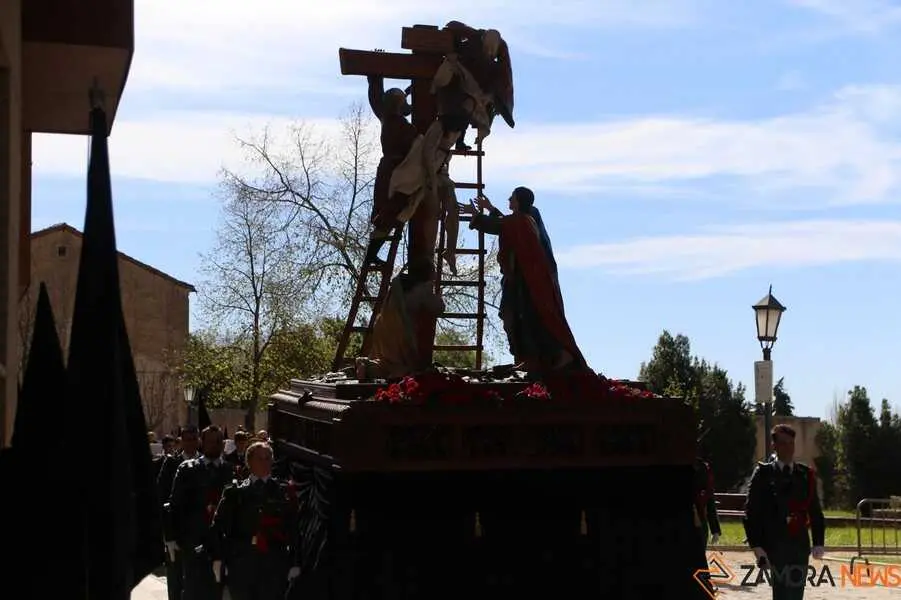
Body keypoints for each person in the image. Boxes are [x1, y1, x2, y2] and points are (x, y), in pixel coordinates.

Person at [461, 187, 584, 372]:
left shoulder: (522, 221)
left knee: (527, 317)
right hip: (524, 278)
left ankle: (550, 354)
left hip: (527, 281)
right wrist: (490, 209)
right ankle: (528, 357)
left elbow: (500, 226)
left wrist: (477, 215)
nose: (509, 199)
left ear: (518, 201)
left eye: (512, 197)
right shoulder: (525, 219)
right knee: (519, 317)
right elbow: (507, 225)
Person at [743, 424, 826, 600]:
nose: (788, 448)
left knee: (796, 592)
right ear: (774, 446)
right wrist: (757, 547)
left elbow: (815, 510)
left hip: (799, 544)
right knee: (781, 593)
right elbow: (752, 511)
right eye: (783, 443)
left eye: (791, 443)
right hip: (774, 544)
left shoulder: (804, 474)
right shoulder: (764, 474)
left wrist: (818, 541)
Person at [210, 442, 300, 600]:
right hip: (241, 563)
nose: (265, 462)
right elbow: (218, 527)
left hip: (274, 564)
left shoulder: (283, 491)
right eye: (260, 458)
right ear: (249, 462)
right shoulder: (235, 492)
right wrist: (218, 558)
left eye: (268, 458)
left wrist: (295, 562)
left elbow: (294, 528)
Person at [388, 115, 467, 275]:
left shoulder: (461, 124)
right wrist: (431, 177)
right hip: (430, 171)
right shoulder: (439, 126)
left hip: (442, 170)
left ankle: (450, 250)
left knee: (453, 209)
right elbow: (427, 152)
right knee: (433, 212)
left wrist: (461, 144)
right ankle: (429, 254)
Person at [167, 425, 235, 600]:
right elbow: (175, 505)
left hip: (221, 542)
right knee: (193, 588)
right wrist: (171, 537)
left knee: (217, 590)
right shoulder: (187, 469)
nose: (215, 445)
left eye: (219, 441)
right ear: (202, 443)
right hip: (193, 540)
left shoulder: (228, 470)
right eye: (211, 441)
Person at [355, 258, 445, 379]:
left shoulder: (399, 283)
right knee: (406, 371)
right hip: (400, 334)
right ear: (428, 273)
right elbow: (438, 308)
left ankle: (367, 365)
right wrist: (439, 297)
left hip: (382, 328)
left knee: (386, 363)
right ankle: (373, 369)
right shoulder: (423, 288)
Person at [364, 73, 419, 266]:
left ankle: (372, 254)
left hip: (390, 170)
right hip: (396, 172)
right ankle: (372, 254)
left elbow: (376, 99)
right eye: (402, 101)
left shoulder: (387, 118)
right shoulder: (400, 125)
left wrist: (375, 79)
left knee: (387, 211)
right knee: (390, 210)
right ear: (397, 104)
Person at [693, 455, 722, 595]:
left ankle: (705, 589)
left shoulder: (703, 468)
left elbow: (709, 500)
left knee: (699, 556)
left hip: (700, 520)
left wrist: (715, 529)